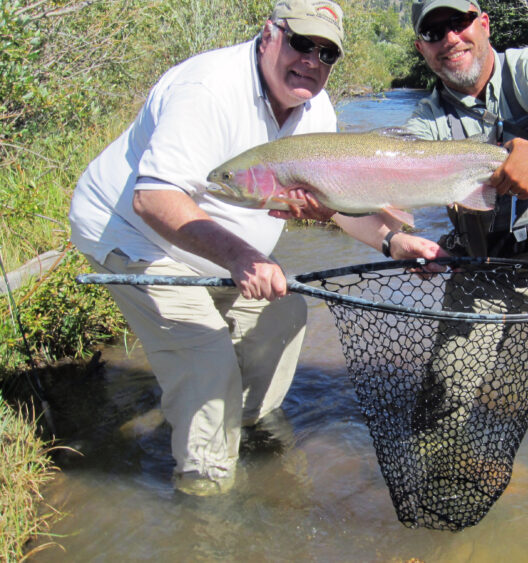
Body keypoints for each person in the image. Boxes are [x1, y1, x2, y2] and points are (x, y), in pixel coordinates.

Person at [68, 0, 344, 496]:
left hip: (212, 239)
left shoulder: (316, 109)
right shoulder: (208, 89)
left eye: (327, 53)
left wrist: (393, 236)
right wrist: (242, 257)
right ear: (270, 35)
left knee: (284, 314)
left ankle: (250, 431)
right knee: (206, 362)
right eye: (302, 43)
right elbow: (153, 197)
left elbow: (338, 201)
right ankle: (205, 499)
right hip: (135, 235)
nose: (312, 60)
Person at [334, 0, 528, 422]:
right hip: (483, 272)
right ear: (422, 48)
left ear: (484, 24)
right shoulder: (426, 122)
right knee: (442, 401)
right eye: (434, 32)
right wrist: (333, 200)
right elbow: (387, 175)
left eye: (459, 22)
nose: (450, 38)